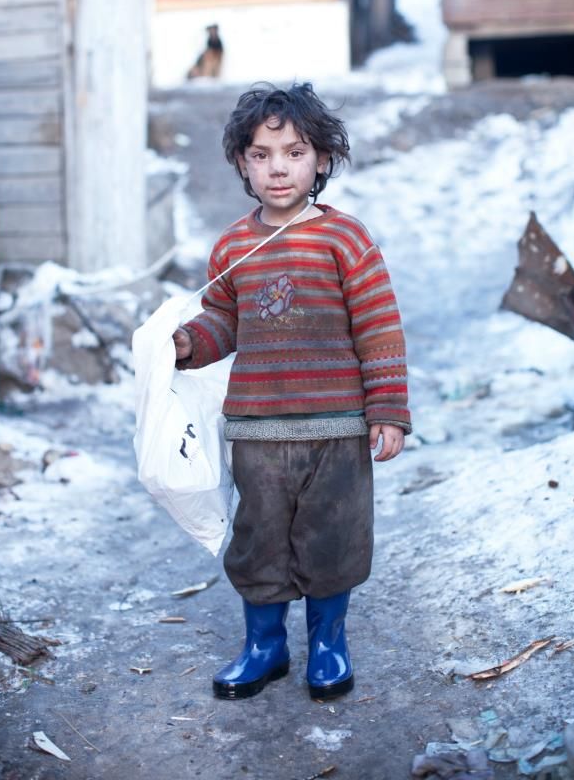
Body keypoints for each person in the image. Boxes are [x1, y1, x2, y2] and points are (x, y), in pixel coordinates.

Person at [173, 81, 411, 701]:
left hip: (336, 427)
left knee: (334, 534)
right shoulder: (232, 246)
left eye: (295, 152)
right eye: (260, 154)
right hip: (257, 429)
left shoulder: (346, 240)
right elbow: (224, 319)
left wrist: (387, 409)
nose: (278, 168)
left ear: (322, 160)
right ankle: (265, 645)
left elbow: (379, 328)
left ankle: (329, 643)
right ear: (241, 165)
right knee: (259, 538)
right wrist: (185, 342)